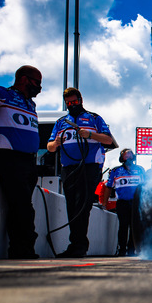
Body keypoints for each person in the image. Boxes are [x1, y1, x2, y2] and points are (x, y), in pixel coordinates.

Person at [0, 63, 42, 259]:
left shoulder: (31, 104)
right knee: (22, 206)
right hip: (10, 159)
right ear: (23, 79)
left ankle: (21, 248)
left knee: (23, 206)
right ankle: (22, 250)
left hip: (29, 163)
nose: (39, 87)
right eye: (36, 82)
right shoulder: (3, 94)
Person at [47, 87, 113, 258]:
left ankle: (79, 245)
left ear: (81, 100)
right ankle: (76, 244)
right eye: (68, 103)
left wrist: (90, 134)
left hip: (89, 167)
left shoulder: (94, 118)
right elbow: (50, 147)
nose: (71, 105)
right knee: (71, 205)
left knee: (82, 206)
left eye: (74, 102)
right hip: (68, 168)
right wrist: (56, 142)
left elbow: (108, 139)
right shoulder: (61, 122)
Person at [103, 148, 145, 256]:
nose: (128, 156)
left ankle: (132, 250)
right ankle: (122, 249)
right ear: (122, 158)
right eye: (126, 155)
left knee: (134, 226)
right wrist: (104, 203)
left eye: (130, 154)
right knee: (123, 226)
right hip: (122, 202)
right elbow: (108, 187)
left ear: (133, 157)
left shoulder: (140, 170)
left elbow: (146, 186)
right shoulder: (115, 171)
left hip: (137, 203)